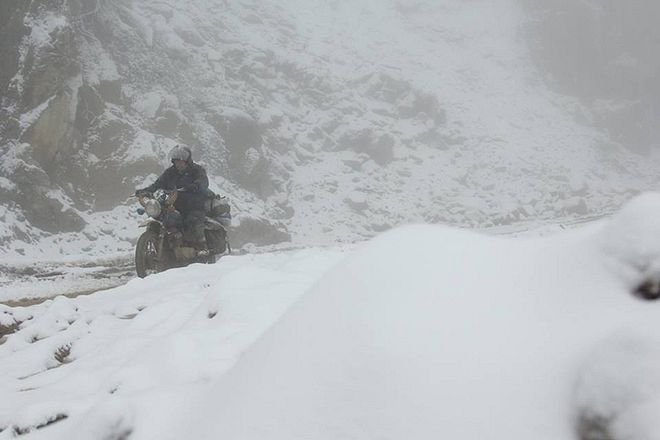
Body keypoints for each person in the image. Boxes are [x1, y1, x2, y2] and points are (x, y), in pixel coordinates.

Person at [136, 145, 210, 256]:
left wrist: (196, 185)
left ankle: (202, 247)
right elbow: (157, 184)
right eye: (176, 161)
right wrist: (145, 191)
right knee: (162, 216)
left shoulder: (197, 170)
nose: (178, 163)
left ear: (187, 160)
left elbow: (203, 181)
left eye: (181, 161)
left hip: (193, 203)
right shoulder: (170, 172)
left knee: (193, 219)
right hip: (174, 203)